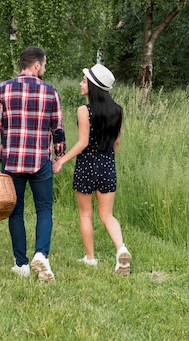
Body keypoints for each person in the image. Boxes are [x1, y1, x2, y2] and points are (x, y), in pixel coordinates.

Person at [0, 46, 66, 282]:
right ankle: (42, 254)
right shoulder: (50, 92)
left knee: (16, 211)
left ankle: (21, 264)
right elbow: (57, 130)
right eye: (45, 64)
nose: (45, 68)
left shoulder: (3, 88)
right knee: (44, 209)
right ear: (37, 65)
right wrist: (59, 156)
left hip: (11, 161)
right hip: (40, 161)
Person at [52, 63, 132, 276]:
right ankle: (121, 249)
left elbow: (83, 143)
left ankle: (90, 259)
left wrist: (61, 160)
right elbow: (117, 143)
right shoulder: (118, 111)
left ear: (94, 86)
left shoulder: (83, 111)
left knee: (86, 214)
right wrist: (108, 161)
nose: (81, 83)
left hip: (87, 166)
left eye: (85, 81)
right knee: (107, 215)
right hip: (108, 165)